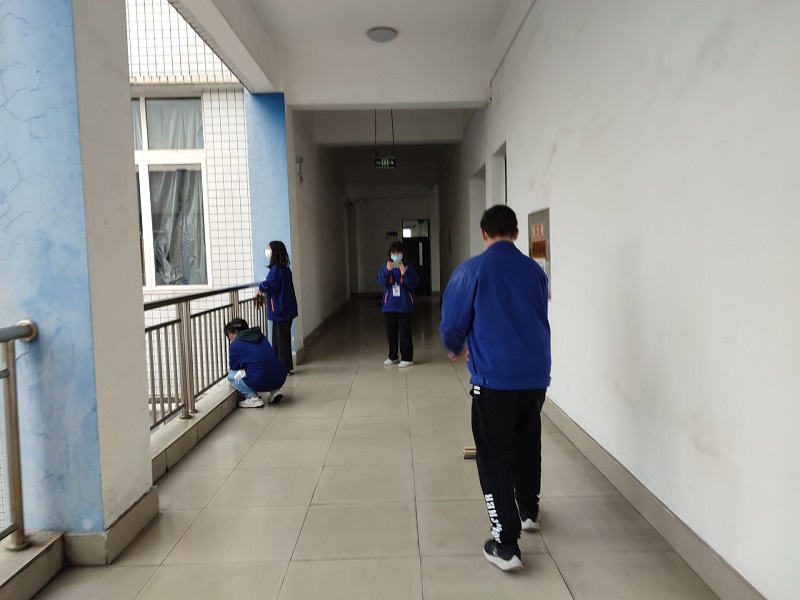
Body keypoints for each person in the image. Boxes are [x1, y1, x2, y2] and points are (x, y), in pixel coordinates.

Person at [439, 205, 551, 572]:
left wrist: (455, 347)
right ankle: (529, 510)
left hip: (494, 379)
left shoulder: (471, 271)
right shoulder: (535, 271)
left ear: (483, 233)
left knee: (494, 455)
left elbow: (452, 324)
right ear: (516, 233)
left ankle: (505, 543)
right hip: (535, 376)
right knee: (527, 440)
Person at [257, 241, 298, 375]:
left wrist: (260, 289)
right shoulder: (285, 269)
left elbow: (269, 284)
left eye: (268, 249)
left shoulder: (276, 270)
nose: (267, 251)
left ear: (274, 252)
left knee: (280, 341)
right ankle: (285, 367)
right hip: (286, 309)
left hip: (280, 311)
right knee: (282, 339)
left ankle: (283, 369)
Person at [225, 318, 287, 408]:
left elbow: (234, 366)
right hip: (280, 376)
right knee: (265, 365)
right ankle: (275, 391)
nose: (230, 339)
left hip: (261, 380)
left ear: (236, 332)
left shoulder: (235, 345)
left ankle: (253, 398)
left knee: (231, 375)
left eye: (229, 335)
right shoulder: (260, 336)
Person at [377, 241, 419, 367]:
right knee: (391, 333)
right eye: (393, 253)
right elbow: (381, 281)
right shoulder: (385, 266)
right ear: (390, 254)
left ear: (402, 254)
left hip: (404, 305)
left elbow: (413, 284)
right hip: (389, 305)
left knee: (405, 332)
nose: (396, 255)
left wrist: (404, 274)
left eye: (398, 253)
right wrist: (387, 271)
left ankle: (407, 358)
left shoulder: (409, 267)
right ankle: (393, 356)